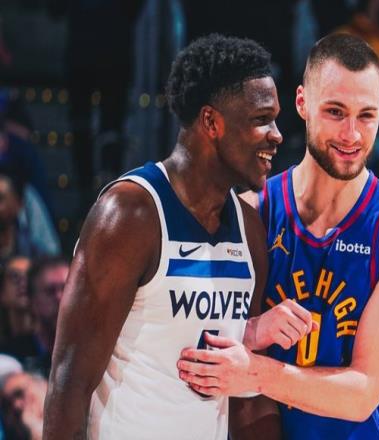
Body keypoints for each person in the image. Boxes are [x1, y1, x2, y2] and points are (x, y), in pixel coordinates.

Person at [43, 34, 316, 440]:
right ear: (211, 122)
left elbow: (243, 390)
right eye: (261, 119)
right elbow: (69, 383)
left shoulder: (249, 227)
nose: (277, 134)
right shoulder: (130, 214)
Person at [177, 33, 379, 439]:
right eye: (335, 111)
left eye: (366, 115)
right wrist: (253, 330)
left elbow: (362, 394)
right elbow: (191, 335)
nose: (352, 134)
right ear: (302, 103)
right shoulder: (251, 209)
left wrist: (256, 371)